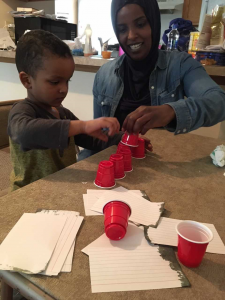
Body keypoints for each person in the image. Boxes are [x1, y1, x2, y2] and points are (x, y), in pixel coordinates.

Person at [90, 0, 225, 146]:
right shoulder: (104, 74)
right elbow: (99, 139)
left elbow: (219, 102)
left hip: (163, 164)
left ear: (153, 23)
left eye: (140, 24)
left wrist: (171, 111)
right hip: (117, 164)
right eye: (122, 29)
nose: (131, 36)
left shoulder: (180, 64)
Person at [8, 30, 123, 191]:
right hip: (28, 194)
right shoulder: (21, 112)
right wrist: (82, 125)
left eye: (67, 81)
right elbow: (25, 133)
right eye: (55, 82)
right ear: (27, 80)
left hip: (62, 188)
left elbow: (93, 139)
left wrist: (125, 139)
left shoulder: (62, 113)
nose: (64, 89)